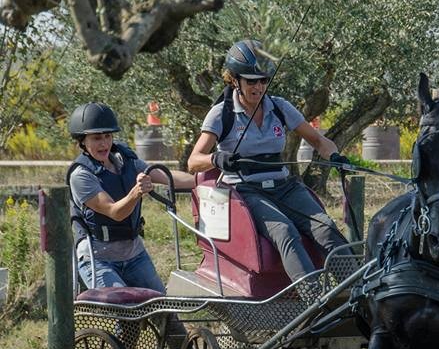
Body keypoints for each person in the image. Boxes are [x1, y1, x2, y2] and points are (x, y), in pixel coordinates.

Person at [187, 40, 351, 282]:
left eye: (264, 80)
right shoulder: (221, 114)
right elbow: (193, 161)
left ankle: (355, 293)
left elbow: (318, 141)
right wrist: (217, 158)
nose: (259, 86)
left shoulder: (280, 107)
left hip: (284, 187)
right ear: (234, 80)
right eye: (251, 81)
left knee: (325, 226)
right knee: (285, 231)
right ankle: (314, 299)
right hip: (246, 191)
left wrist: (335, 156)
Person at [67, 102, 195, 292]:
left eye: (107, 136)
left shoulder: (123, 159)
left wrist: (202, 180)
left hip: (134, 254)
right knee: (123, 312)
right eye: (96, 138)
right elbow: (115, 212)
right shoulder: (81, 175)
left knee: (165, 313)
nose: (104, 144)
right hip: (98, 260)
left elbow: (166, 177)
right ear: (83, 141)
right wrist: (137, 192)